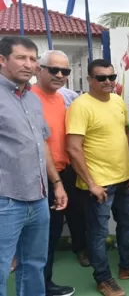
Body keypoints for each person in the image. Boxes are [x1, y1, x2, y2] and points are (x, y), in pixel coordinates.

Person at [66, 59, 129, 296]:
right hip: (97, 184)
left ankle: (127, 266)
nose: (108, 82)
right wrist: (92, 183)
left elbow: (126, 133)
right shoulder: (80, 106)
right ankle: (103, 279)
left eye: (111, 77)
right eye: (101, 78)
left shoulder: (117, 101)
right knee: (98, 233)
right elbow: (73, 148)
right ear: (89, 80)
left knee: (127, 224)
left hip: (123, 178)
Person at [0, 36, 68, 296]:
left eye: (32, 59)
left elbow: (42, 144)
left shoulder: (32, 100)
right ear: (2, 60)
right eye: (21, 58)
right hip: (6, 200)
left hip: (39, 199)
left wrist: (57, 183)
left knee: (33, 265)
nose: (29, 64)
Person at [33, 50, 87, 296]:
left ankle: (43, 283)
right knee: (42, 236)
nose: (59, 75)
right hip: (40, 177)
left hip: (63, 173)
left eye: (64, 71)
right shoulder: (29, 98)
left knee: (51, 233)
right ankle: (40, 286)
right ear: (39, 69)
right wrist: (55, 182)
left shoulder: (63, 99)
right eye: (53, 69)